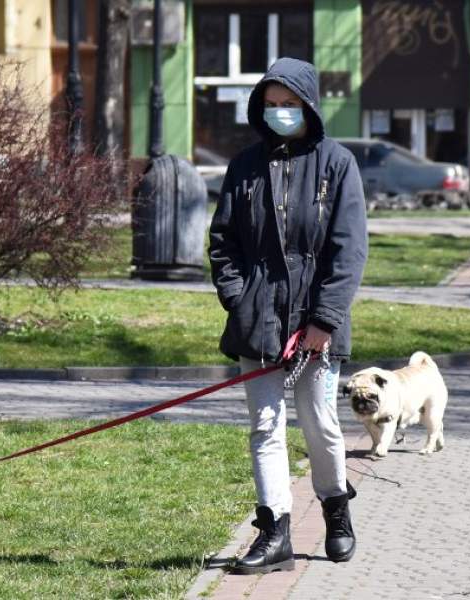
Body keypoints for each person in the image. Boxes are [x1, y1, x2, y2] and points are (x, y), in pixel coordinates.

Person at [208, 57, 368, 574]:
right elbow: (223, 242)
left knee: (321, 425)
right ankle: (274, 529)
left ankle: (335, 510)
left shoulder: (338, 164)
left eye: (289, 105)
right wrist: (240, 297)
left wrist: (323, 320)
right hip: (259, 323)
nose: (279, 113)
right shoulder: (245, 166)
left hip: (317, 326)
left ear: (309, 106)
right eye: (271, 105)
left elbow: (349, 252)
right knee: (264, 426)